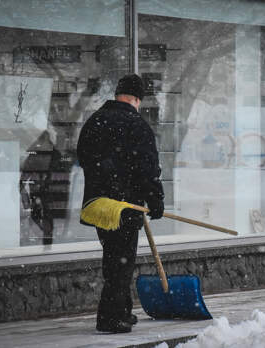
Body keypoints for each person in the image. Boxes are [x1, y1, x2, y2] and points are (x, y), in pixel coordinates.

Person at [76, 74, 164, 333]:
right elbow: (148, 168)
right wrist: (155, 199)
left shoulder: (95, 121)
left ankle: (123, 310)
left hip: (99, 205)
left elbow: (84, 156)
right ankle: (110, 318)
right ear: (137, 99)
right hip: (126, 205)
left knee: (113, 256)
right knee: (121, 261)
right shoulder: (137, 125)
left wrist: (103, 179)